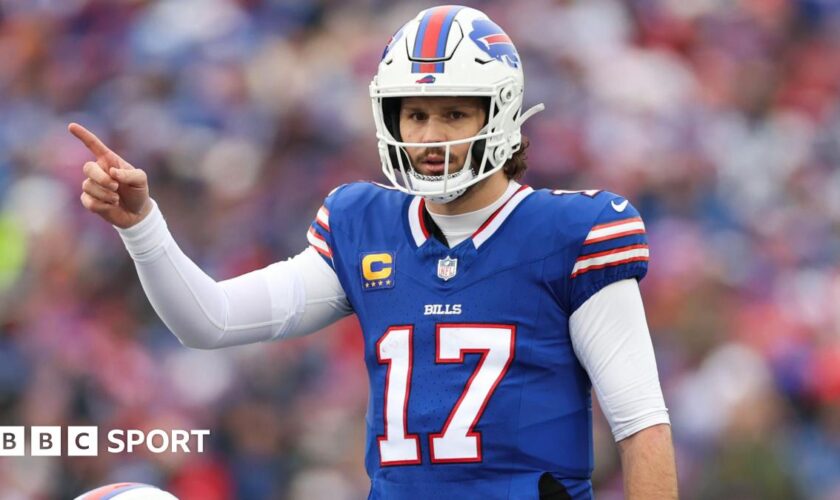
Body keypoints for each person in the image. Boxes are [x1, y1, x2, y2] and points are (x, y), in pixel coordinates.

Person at [70, 5, 677, 499]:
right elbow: (210, 320)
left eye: (455, 113)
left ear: (502, 115)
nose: (431, 136)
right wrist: (142, 225)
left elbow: (641, 426)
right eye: (415, 114)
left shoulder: (570, 233)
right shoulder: (364, 224)